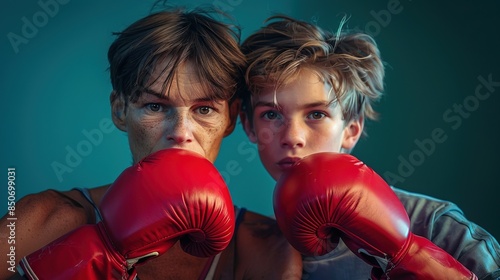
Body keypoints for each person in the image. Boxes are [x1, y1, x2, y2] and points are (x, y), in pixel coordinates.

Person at [0, 6, 301, 280]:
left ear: (231, 119)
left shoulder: (265, 247)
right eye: (156, 106)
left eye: (204, 109)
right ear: (120, 110)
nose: (181, 132)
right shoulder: (43, 220)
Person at [238, 15, 500, 279]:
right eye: (271, 115)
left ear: (351, 130)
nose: (292, 137)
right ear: (249, 127)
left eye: (316, 114)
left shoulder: (433, 224)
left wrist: (412, 254)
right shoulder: (251, 251)